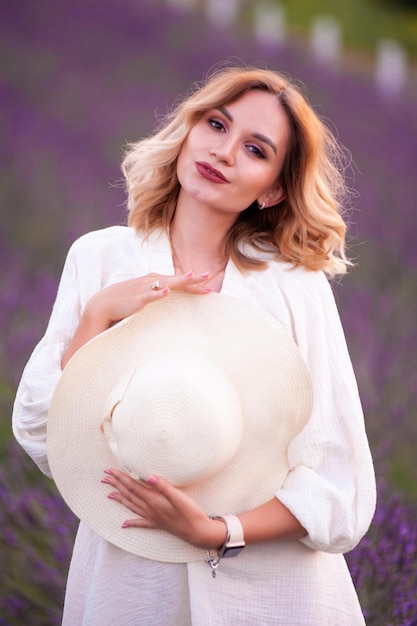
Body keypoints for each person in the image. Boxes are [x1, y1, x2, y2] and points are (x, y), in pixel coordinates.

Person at [12, 65, 376, 625]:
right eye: (215, 124)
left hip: (273, 589)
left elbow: (337, 479)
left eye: (255, 149)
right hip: (131, 576)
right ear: (188, 131)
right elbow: (46, 429)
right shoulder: (102, 258)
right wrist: (100, 312)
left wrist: (216, 531)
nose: (224, 152)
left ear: (274, 188)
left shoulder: (294, 288)